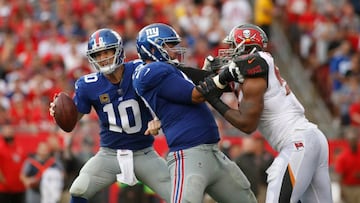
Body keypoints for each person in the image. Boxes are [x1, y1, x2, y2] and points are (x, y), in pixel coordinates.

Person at [196, 23, 333, 203]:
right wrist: (200, 74)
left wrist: (214, 100)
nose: (229, 52)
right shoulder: (249, 75)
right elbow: (205, 85)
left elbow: (247, 125)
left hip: (298, 142)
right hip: (312, 139)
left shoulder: (261, 61)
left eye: (232, 46)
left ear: (244, 46)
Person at [132, 23, 257, 203]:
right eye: (169, 46)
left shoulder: (168, 71)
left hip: (213, 152)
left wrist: (211, 74)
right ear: (152, 48)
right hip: (188, 154)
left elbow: (198, 87)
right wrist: (224, 76)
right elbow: (195, 95)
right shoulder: (152, 71)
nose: (175, 50)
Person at [49, 28, 171, 203]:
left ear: (118, 51)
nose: (102, 58)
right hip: (109, 154)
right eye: (97, 55)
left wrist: (158, 118)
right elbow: (72, 121)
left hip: (144, 153)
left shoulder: (140, 70)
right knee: (79, 189)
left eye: (106, 52)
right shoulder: (88, 85)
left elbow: (168, 98)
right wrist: (59, 113)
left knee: (179, 194)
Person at [0, 124, 27, 203]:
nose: (8, 134)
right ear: (2, 134)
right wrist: (3, 181)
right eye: (6, 132)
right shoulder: (0, 147)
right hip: (4, 189)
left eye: (10, 132)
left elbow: (25, 164)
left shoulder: (19, 146)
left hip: (20, 187)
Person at [334, 127, 360, 203]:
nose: (353, 142)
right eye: (351, 140)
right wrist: (341, 191)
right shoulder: (343, 157)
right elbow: (340, 176)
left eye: (355, 140)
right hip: (348, 188)